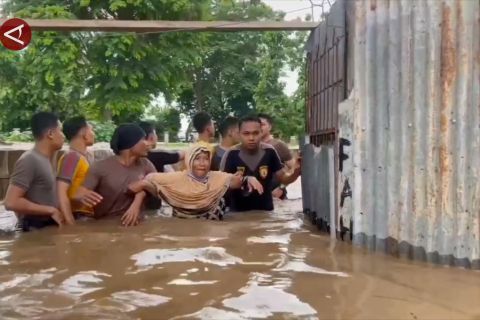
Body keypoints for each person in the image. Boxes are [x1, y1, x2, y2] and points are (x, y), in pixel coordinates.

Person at [128, 145, 263, 220]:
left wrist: (248, 178)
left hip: (212, 233)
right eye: (197, 159)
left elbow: (235, 181)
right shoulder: (176, 178)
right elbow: (150, 178)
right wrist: (142, 187)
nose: (202, 163)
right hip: (184, 234)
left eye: (206, 159)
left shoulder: (216, 177)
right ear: (189, 160)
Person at [75, 124, 156, 226]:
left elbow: (160, 190)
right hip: (106, 227)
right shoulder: (100, 167)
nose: (148, 144)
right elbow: (78, 194)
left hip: (139, 224)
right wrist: (83, 196)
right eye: (144, 139)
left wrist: (141, 192)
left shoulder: (146, 164)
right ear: (131, 143)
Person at [220, 115, 301, 212]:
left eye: (255, 133)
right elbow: (221, 184)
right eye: (246, 133)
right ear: (239, 134)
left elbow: (283, 178)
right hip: (238, 214)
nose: (251, 138)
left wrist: (296, 172)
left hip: (266, 213)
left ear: (261, 133)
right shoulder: (231, 154)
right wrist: (245, 180)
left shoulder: (269, 152)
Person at [4, 112, 65, 231]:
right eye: (60, 131)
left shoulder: (45, 159)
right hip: (34, 227)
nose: (63, 136)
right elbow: (10, 202)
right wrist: (50, 210)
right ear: (51, 134)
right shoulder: (29, 159)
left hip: (45, 227)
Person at [57, 116, 96, 225]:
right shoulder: (71, 157)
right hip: (79, 216)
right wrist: (71, 225)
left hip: (85, 216)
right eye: (91, 129)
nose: (93, 134)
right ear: (83, 132)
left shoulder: (83, 156)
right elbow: (61, 191)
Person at [258, 113, 295, 200]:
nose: (259, 127)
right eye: (257, 125)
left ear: (270, 127)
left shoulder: (278, 145)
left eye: (262, 124)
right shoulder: (251, 146)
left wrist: (281, 187)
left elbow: (293, 168)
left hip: (276, 196)